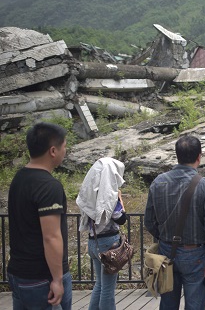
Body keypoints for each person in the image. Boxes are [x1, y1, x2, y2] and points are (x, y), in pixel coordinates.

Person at [145, 135, 205, 310]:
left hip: (166, 251)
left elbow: (149, 221)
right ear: (199, 157)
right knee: (195, 305)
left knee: (168, 304)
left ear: (177, 155)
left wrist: (164, 237)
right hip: (195, 254)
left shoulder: (158, 182)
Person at [7, 122, 72, 309]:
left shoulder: (19, 178)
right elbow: (51, 237)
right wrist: (58, 280)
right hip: (42, 279)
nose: (65, 151)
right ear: (53, 150)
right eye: (64, 146)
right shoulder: (49, 186)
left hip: (19, 273)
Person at [76, 157, 128, 309]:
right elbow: (121, 219)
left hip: (94, 242)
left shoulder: (90, 195)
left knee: (99, 285)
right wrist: (121, 204)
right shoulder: (109, 196)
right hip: (108, 245)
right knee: (107, 289)